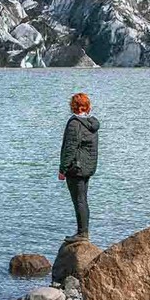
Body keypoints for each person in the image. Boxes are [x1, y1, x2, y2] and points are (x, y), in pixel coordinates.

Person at [58, 92, 99, 242]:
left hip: (76, 168)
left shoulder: (75, 124)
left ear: (73, 107)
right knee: (83, 199)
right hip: (88, 167)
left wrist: (62, 169)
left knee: (79, 200)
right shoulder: (92, 123)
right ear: (87, 107)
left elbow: (70, 148)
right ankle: (83, 232)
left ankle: (82, 233)